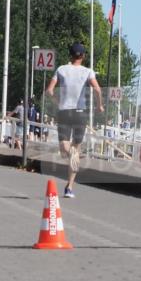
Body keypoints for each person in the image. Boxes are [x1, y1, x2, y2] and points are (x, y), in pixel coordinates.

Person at [45, 42, 103, 199]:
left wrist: (58, 102)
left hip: (65, 112)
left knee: (64, 148)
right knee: (73, 151)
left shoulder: (61, 69)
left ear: (70, 55)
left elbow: (49, 91)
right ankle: (70, 180)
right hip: (80, 113)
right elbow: (97, 89)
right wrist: (100, 105)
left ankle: (69, 186)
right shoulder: (88, 71)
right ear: (83, 56)